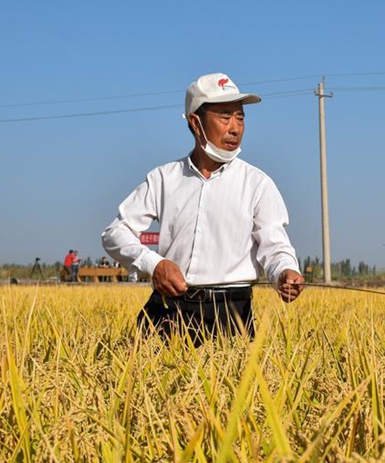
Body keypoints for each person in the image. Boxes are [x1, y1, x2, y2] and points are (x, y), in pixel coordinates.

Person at [102, 73, 304, 345]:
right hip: (167, 311)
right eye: (224, 116)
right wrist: (154, 264)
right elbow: (115, 233)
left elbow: (275, 246)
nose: (235, 128)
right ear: (195, 123)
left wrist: (286, 271)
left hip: (231, 318)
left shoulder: (257, 184)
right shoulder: (164, 179)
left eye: (240, 117)